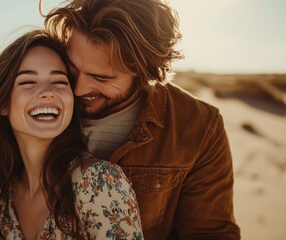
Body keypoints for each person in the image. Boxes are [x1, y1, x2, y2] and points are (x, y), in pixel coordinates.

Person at [42, 0, 241, 239]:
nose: (77, 88)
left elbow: (210, 233)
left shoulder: (199, 126)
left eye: (101, 78)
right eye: (72, 67)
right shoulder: (37, 99)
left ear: (145, 72)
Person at [0, 29, 143, 240]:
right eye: (27, 82)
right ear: (3, 104)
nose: (47, 91)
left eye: (60, 82)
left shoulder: (99, 183)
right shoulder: (2, 199)